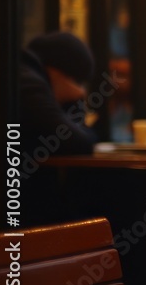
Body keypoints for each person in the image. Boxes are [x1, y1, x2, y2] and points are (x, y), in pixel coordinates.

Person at [18, 31, 98, 226]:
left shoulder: (26, 74)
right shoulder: (28, 81)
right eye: (77, 82)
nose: (80, 89)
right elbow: (77, 141)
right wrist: (77, 101)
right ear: (57, 73)